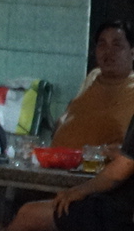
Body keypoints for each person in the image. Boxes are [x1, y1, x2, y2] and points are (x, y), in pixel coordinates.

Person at [0, 113, 134, 231]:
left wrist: (79, 190)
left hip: (121, 217)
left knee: (28, 214)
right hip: (120, 212)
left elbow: (118, 173)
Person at [49, 21, 134, 149]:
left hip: (101, 165)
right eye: (102, 44)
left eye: (117, 45)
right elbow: (72, 111)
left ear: (132, 53)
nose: (108, 52)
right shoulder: (94, 76)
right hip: (59, 160)